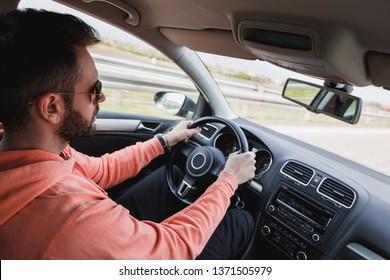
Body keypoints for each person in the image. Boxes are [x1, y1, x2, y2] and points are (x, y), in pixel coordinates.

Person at [0, 8, 256, 259]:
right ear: (52, 107)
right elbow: (172, 251)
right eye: (93, 88)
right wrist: (228, 180)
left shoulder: (34, 153)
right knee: (240, 221)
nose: (101, 97)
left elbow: (99, 171)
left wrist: (163, 142)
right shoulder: (73, 216)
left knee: (175, 173)